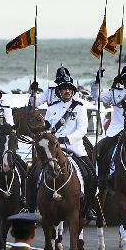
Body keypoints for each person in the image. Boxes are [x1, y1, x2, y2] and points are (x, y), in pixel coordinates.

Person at [41, 72, 95, 203]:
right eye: (64, 89)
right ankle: (30, 204)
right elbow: (46, 128)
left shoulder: (80, 107)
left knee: (92, 175)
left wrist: (67, 139)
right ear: (59, 91)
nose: (67, 91)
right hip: (53, 149)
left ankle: (89, 204)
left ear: (72, 91)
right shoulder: (51, 108)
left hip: (74, 147)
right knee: (33, 174)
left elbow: (82, 129)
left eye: (69, 89)